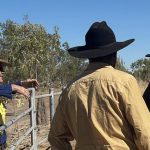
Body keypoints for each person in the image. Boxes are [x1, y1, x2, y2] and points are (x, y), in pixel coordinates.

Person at [48, 21, 150, 150]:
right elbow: (145, 133)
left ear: (89, 56)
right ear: (114, 55)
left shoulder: (70, 89)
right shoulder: (124, 82)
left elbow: (56, 137)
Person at [0, 59, 39, 149]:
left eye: (2, 68)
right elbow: (8, 88)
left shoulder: (2, 89)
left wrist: (22, 84)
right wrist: (14, 87)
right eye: (0, 68)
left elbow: (5, 88)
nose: (3, 72)